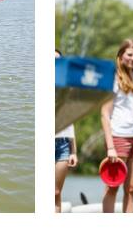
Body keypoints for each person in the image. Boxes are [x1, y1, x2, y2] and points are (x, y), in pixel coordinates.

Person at [100, 38, 133, 213]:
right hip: (118, 137)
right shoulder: (112, 79)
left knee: (132, 188)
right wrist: (110, 147)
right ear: (121, 55)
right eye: (129, 54)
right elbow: (104, 115)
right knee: (112, 187)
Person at [55, 50, 78, 211]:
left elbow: (70, 121)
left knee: (56, 192)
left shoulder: (65, 90)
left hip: (63, 144)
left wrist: (73, 151)